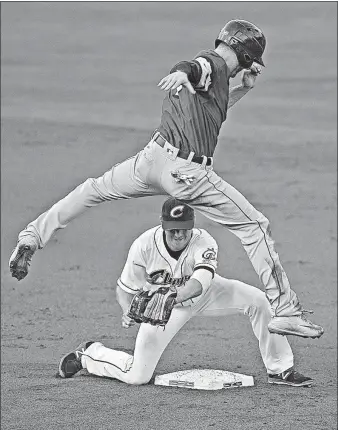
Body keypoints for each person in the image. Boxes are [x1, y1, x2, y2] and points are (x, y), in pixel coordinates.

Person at [9, 19, 323, 339]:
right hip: (186, 173)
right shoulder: (211, 64)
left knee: (94, 189)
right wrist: (181, 71)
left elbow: (214, 102)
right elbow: (195, 66)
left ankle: (33, 235)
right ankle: (285, 309)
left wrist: (243, 85)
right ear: (245, 56)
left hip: (150, 161)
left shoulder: (213, 84)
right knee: (254, 227)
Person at [58, 198, 314, 387]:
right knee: (138, 376)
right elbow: (125, 288)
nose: (180, 234)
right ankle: (89, 354)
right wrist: (128, 311)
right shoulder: (143, 246)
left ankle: (280, 369)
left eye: (184, 228)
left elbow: (200, 283)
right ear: (163, 226)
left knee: (259, 300)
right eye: (174, 229)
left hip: (205, 295)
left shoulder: (204, 241)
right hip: (163, 314)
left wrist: (170, 298)